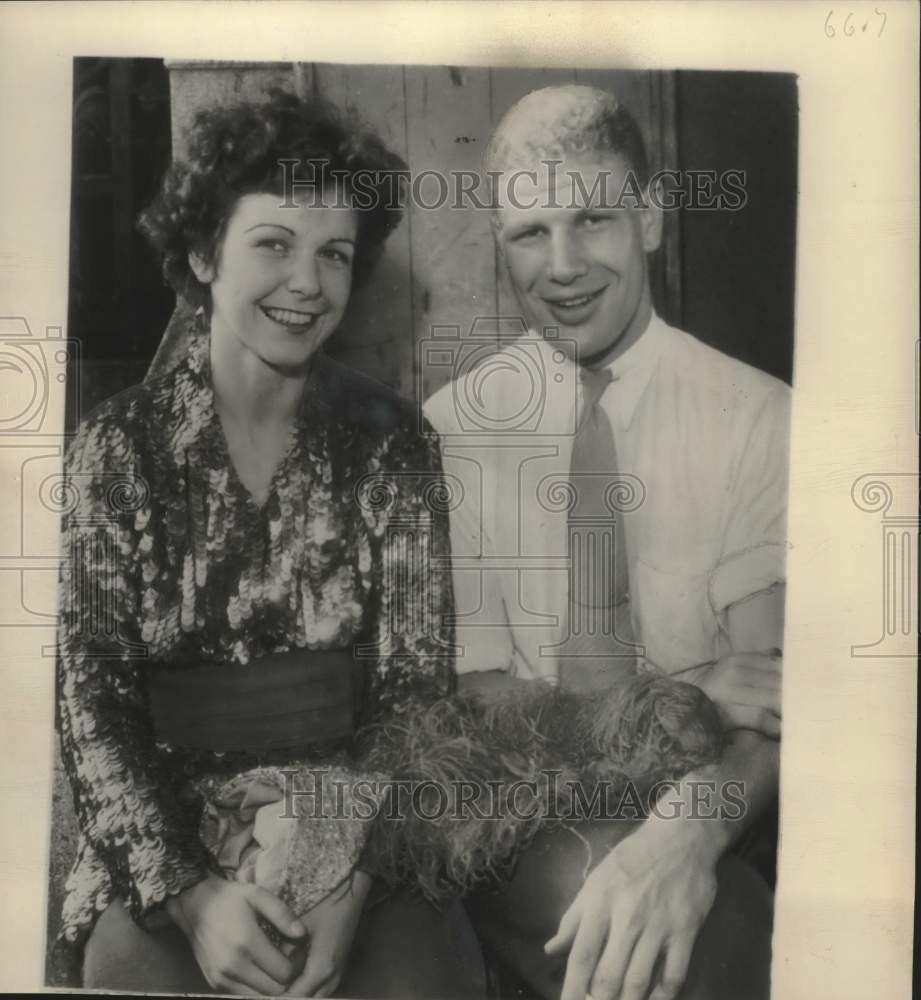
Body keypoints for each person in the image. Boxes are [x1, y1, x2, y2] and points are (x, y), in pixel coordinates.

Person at [52, 91, 485, 998]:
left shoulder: (393, 442)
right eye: (274, 244)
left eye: (334, 254)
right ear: (205, 253)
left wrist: (349, 873)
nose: (308, 283)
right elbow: (94, 703)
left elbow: (417, 696)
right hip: (165, 856)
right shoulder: (114, 450)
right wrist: (192, 900)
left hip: (361, 829)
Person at [424, 85, 789, 1000]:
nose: (562, 266)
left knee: (719, 937)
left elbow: (777, 715)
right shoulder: (452, 432)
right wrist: (678, 694)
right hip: (523, 818)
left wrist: (687, 834)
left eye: (592, 218)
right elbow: (472, 704)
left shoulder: (760, 421)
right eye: (527, 233)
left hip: (711, 810)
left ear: (652, 219)